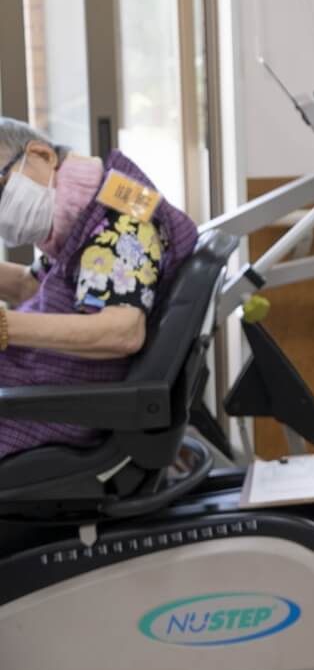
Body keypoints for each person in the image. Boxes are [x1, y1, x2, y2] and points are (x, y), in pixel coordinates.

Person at [0, 120, 199, 458]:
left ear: (40, 154)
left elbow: (122, 331)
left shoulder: (120, 219)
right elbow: (31, 288)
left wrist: (6, 326)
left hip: (53, 407)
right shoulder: (84, 214)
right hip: (39, 388)